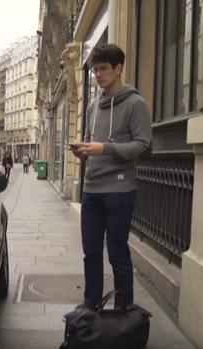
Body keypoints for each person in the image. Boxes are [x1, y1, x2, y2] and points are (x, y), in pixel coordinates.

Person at [70, 44, 152, 310]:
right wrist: (84, 151)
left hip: (120, 191)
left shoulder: (135, 104)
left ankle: (123, 311)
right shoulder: (93, 106)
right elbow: (94, 145)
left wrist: (104, 148)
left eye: (103, 69)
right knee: (91, 253)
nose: (98, 74)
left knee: (117, 253)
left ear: (119, 68)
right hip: (91, 190)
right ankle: (90, 307)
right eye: (95, 70)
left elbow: (143, 145)